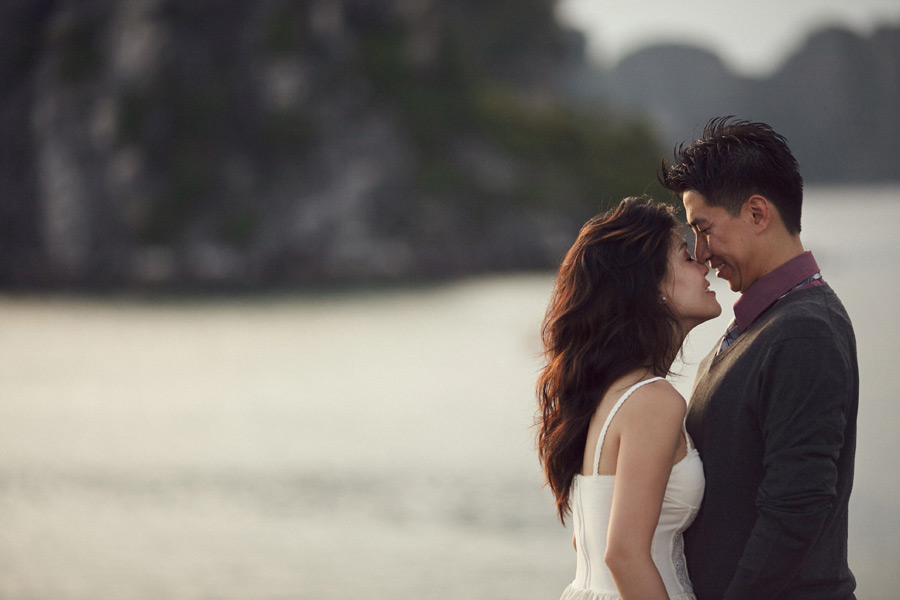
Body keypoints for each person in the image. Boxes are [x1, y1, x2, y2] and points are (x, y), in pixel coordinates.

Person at [660, 117, 859, 599]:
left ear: (756, 213)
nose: (701, 254)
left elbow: (796, 510)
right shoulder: (759, 324)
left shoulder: (804, 332)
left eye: (703, 230)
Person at [537, 196, 721, 599]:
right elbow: (623, 555)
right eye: (686, 258)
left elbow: (587, 540)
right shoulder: (653, 401)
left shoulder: (611, 393)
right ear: (652, 288)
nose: (704, 265)